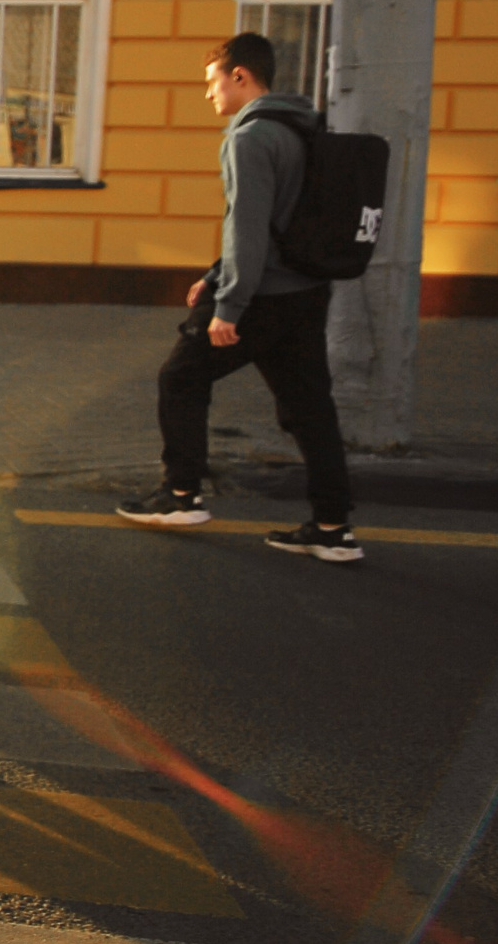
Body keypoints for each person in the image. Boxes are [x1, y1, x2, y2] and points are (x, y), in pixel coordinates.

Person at [119, 32, 360, 562]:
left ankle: (180, 494)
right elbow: (279, 219)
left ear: (240, 77)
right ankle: (333, 527)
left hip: (262, 297)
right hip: (306, 292)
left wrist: (228, 306)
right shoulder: (303, 127)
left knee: (180, 377)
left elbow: (248, 229)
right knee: (310, 410)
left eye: (212, 83)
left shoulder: (249, 138)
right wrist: (214, 272)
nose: (209, 95)